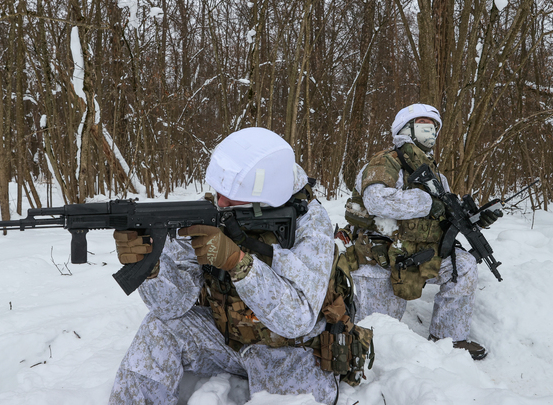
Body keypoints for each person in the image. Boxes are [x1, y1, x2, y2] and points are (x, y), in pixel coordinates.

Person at [108, 127, 371, 405]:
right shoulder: (219, 208)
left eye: (231, 198)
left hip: (292, 355)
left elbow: (298, 319)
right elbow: (170, 307)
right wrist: (150, 268)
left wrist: (238, 263)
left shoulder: (311, 224)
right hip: (228, 340)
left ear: (264, 195)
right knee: (159, 327)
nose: (220, 202)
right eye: (219, 192)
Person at [344, 103, 502, 360]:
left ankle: (448, 337)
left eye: (434, 129)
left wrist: (475, 220)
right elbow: (376, 200)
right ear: (406, 129)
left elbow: (444, 218)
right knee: (379, 338)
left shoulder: (436, 174)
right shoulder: (386, 162)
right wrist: (427, 202)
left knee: (462, 265)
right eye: (425, 127)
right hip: (382, 259)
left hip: (421, 254)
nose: (431, 134)